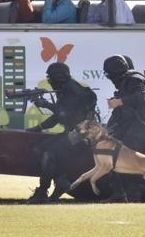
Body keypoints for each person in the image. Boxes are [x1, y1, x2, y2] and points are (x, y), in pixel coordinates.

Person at [27, 62, 97, 204]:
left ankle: (44, 190)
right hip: (76, 133)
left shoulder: (72, 90)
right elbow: (60, 115)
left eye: (52, 78)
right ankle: (60, 182)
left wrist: (44, 104)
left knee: (48, 153)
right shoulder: (68, 89)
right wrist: (38, 127)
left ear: (59, 77)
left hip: (80, 135)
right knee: (42, 148)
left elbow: (63, 113)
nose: (51, 82)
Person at [103, 55, 145, 202]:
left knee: (124, 160)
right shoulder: (125, 82)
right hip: (127, 126)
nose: (111, 78)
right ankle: (120, 193)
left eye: (111, 75)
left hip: (138, 127)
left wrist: (121, 101)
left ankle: (131, 195)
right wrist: (107, 129)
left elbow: (144, 97)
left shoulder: (135, 79)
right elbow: (119, 111)